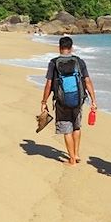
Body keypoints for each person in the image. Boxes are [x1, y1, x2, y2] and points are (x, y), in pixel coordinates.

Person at [40, 36, 97, 165]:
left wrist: (44, 101)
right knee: (76, 126)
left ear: (59, 48)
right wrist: (93, 100)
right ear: (71, 48)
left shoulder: (53, 63)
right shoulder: (79, 61)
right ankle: (76, 154)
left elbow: (49, 84)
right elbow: (87, 81)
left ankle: (71, 159)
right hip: (78, 99)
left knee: (67, 129)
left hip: (62, 101)